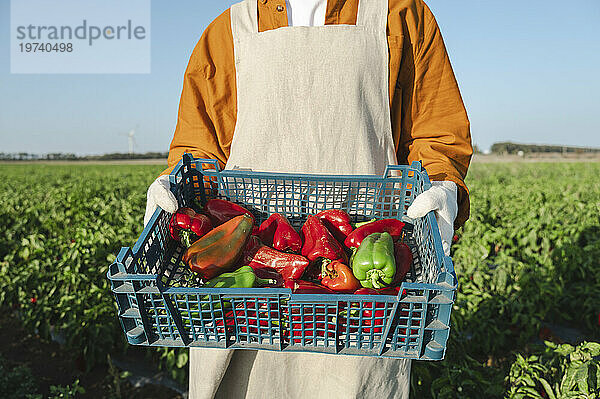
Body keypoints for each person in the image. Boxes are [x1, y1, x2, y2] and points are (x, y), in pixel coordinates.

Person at [144, 0, 472, 397]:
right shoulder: (228, 29)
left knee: (352, 382)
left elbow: (436, 131)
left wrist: (442, 185)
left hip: (361, 296)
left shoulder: (400, 13)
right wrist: (173, 182)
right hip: (245, 287)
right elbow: (200, 147)